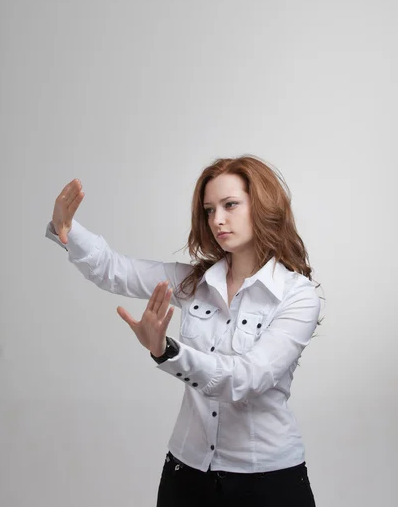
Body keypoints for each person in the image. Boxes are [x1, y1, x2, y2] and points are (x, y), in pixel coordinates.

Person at [46, 155, 321, 506]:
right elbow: (116, 270)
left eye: (230, 205)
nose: (217, 220)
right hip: (187, 474)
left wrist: (167, 352)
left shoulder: (296, 295)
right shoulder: (194, 282)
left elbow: (247, 378)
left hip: (268, 480)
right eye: (209, 210)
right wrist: (67, 229)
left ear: (263, 206)